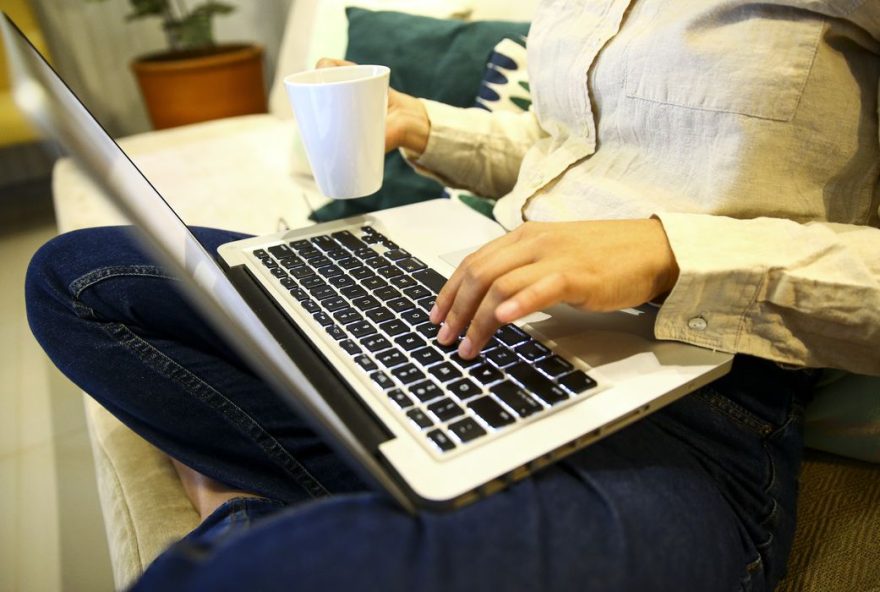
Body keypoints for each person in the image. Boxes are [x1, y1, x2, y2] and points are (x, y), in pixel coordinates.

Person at [25, 1, 880, 590]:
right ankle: (403, 477)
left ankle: (294, 512)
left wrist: (670, 251)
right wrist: (427, 124)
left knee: (262, 573)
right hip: (468, 302)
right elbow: (569, 148)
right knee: (82, 282)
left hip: (692, 412)